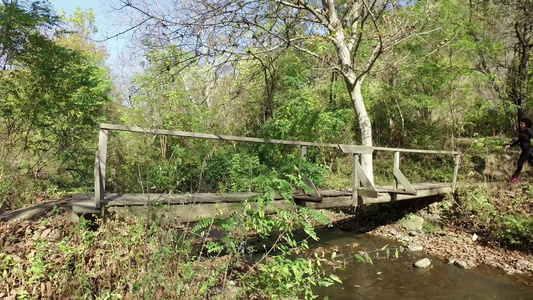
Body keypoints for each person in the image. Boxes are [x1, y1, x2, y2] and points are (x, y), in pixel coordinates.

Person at [505, 118, 533, 182]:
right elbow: (519, 140)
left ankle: (515, 177)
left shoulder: (529, 130)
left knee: (520, 163)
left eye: (522, 124)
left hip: (527, 149)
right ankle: (515, 177)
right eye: (520, 123)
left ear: (526, 124)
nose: (520, 125)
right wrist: (510, 145)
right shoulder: (523, 132)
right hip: (527, 149)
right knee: (531, 162)